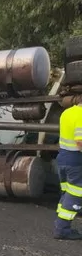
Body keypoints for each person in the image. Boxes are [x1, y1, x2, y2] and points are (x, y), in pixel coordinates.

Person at [55, 102, 82, 240]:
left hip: (63, 157)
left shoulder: (67, 112)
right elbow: (80, 141)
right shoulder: (81, 115)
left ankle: (59, 222)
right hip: (76, 159)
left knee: (66, 192)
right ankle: (63, 229)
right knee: (76, 193)